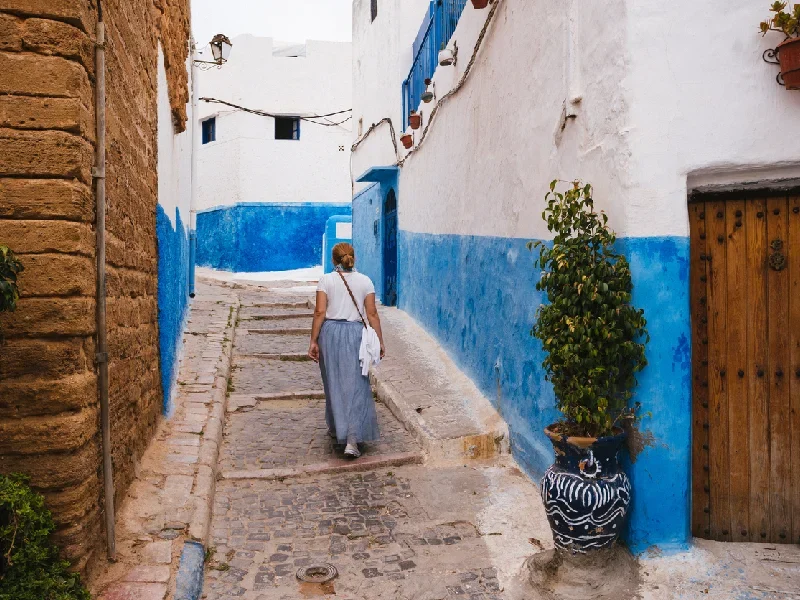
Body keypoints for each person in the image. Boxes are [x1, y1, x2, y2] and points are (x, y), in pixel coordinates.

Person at [308, 243, 386, 458]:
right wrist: (380, 341)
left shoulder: (326, 280)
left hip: (330, 334)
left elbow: (319, 312)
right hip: (356, 335)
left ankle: (339, 429)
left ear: (334, 260)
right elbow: (372, 314)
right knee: (356, 384)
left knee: (333, 381)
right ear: (353, 258)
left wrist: (313, 340)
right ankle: (351, 439)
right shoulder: (365, 281)